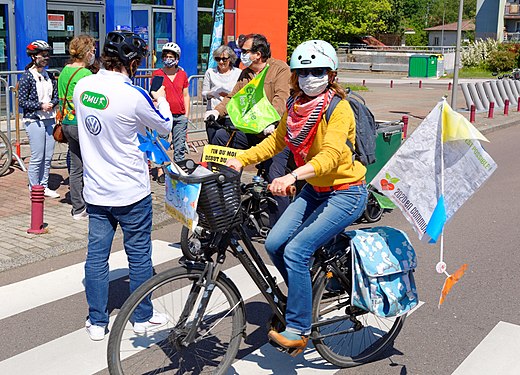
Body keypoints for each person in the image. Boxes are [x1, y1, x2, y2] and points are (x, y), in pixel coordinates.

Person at [226, 40, 368, 355]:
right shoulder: (295, 106)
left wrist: (291, 176)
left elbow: (331, 155)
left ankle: (300, 328)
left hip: (346, 192)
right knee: (276, 244)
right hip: (315, 190)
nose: (309, 77)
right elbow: (276, 143)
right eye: (303, 72)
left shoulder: (338, 108)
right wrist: (241, 159)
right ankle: (304, 296)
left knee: (297, 251)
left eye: (317, 71)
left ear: (331, 74)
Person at [73, 31, 173, 341]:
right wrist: (163, 101)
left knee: (96, 257)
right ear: (132, 62)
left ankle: (97, 321)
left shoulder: (83, 86)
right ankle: (142, 317)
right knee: (139, 256)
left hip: (96, 191)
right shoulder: (134, 94)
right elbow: (165, 126)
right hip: (131, 191)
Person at [204, 33, 291, 225]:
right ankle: (227, 199)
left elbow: (281, 98)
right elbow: (233, 98)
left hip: (274, 133)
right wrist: (217, 112)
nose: (240, 55)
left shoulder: (279, 69)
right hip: (252, 131)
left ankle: (284, 226)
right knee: (220, 137)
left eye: (245, 51)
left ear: (258, 54)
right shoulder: (246, 74)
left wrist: (272, 121)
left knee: (275, 176)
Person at [58, 35, 96, 220]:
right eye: (93, 51)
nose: (94, 54)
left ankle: (78, 208)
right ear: (87, 53)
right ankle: (93, 202)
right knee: (92, 166)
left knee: (75, 167)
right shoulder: (86, 75)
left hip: (66, 123)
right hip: (81, 125)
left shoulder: (64, 71)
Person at [18, 40, 60, 198]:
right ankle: (34, 186)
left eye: (47, 55)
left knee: (48, 156)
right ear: (34, 57)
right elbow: (22, 102)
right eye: (43, 55)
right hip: (34, 119)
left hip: (49, 119)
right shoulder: (27, 77)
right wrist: (40, 105)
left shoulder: (49, 76)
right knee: (38, 156)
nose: (46, 58)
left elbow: (56, 96)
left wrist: (52, 104)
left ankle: (44, 185)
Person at [153, 42, 190, 184]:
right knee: (161, 144)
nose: (168, 59)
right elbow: (154, 94)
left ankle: (178, 169)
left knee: (179, 145)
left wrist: (186, 115)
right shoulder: (158, 74)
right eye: (166, 56)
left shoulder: (182, 75)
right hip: (164, 116)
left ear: (176, 58)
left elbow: (185, 95)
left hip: (180, 116)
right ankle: (161, 169)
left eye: (171, 56)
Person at [201, 45, 241, 143]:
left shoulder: (238, 73)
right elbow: (204, 93)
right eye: (218, 59)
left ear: (230, 59)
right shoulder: (210, 72)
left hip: (230, 115)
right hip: (213, 113)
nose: (221, 62)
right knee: (212, 144)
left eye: (224, 59)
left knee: (228, 144)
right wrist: (212, 93)